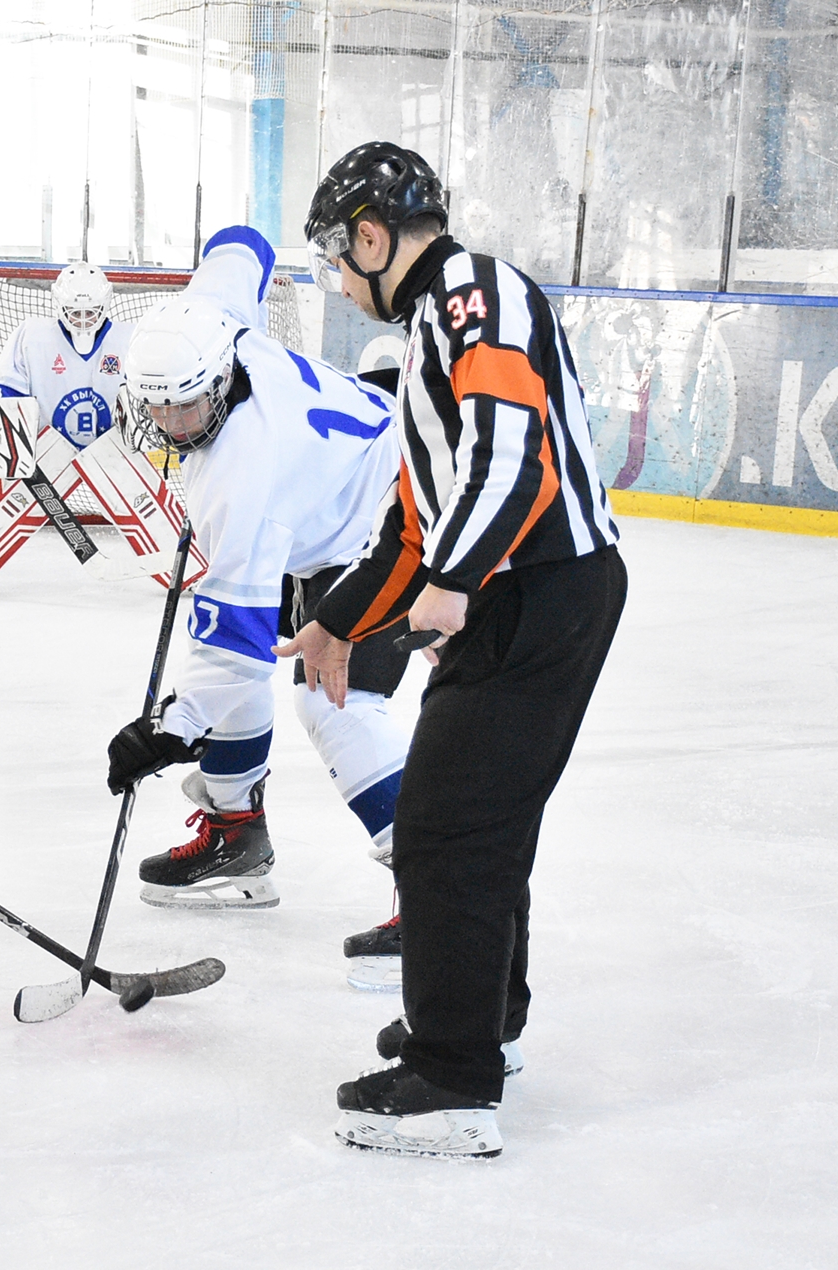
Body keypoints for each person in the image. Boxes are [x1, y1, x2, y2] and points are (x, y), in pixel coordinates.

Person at [282, 141, 628, 1157]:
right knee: (479, 823)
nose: (341, 282)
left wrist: (456, 582)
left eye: (338, 259)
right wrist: (337, 620)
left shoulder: (475, 291)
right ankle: (480, 1025)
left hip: (539, 592)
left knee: (444, 829)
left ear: (373, 237)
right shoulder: (434, 326)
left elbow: (513, 457)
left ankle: (452, 1077)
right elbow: (410, 524)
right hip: (524, 593)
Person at [101, 226, 413, 949]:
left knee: (334, 700)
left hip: (397, 518)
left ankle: (438, 891)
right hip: (334, 506)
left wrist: (170, 729)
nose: (172, 426)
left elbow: (235, 652)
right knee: (245, 666)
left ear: (218, 382)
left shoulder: (240, 479)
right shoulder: (210, 322)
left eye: (187, 408)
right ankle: (235, 836)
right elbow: (242, 244)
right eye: (157, 408)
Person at [0, 262, 134, 451]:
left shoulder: (129, 340)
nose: (83, 319)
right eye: (74, 312)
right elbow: (6, 393)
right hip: (46, 456)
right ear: (59, 305)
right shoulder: (32, 337)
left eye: (90, 312)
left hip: (112, 458)